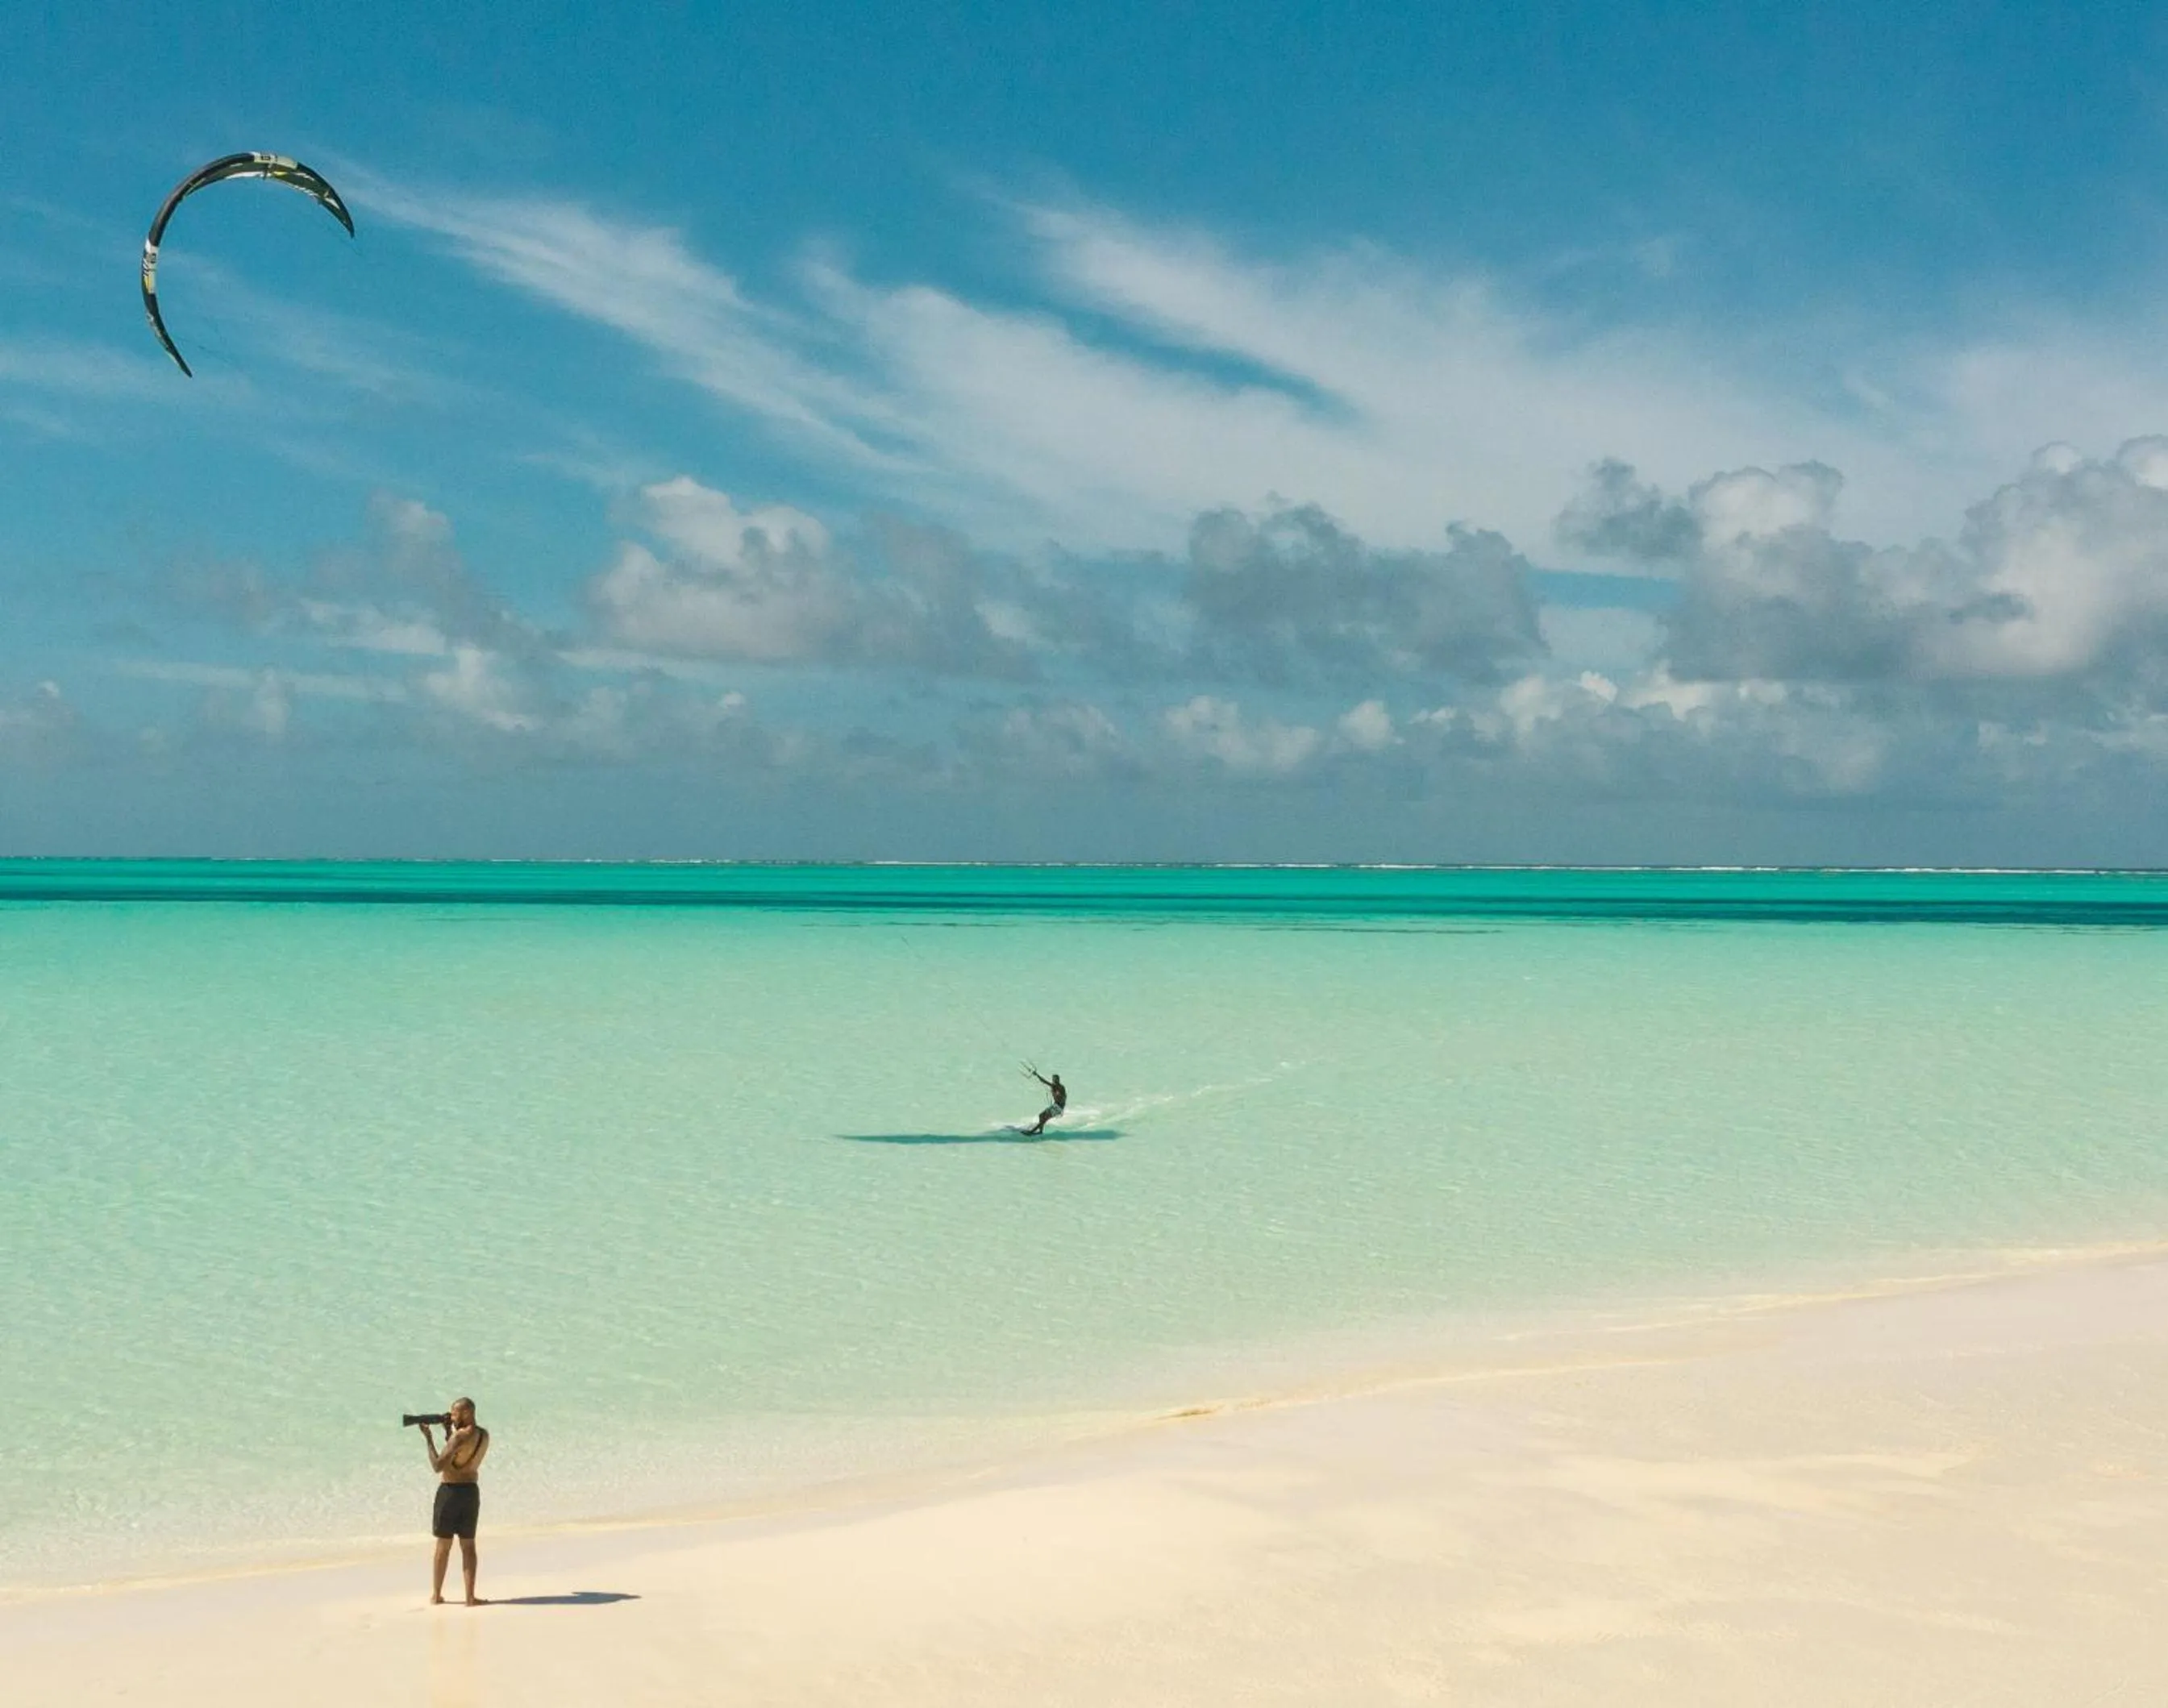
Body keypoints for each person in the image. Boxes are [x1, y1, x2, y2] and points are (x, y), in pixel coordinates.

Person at [421, 1397, 490, 1606]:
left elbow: (438, 1465)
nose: (451, 1417)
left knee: (443, 1546)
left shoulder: (459, 1437)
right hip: (470, 1492)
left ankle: (436, 1595)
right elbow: (460, 1456)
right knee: (468, 1546)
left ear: (467, 1413)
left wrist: (428, 1439)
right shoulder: (483, 1435)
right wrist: (448, 1433)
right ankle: (470, 1597)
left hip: (450, 1493)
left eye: (454, 1413)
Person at [1022, 1068, 1067, 1137]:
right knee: (1041, 1116)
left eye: (1056, 1079)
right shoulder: (1053, 1086)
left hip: (1058, 1108)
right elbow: (1044, 1081)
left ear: (1058, 1080)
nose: (1054, 1081)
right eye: (1053, 1079)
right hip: (1055, 1106)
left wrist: (1059, 1097)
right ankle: (1040, 1132)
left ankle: (1031, 1132)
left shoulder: (1061, 1087)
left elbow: (1062, 1097)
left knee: (1044, 1119)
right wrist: (1037, 1075)